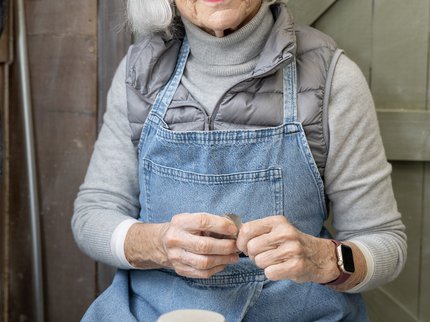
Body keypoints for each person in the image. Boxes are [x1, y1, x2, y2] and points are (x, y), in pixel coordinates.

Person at [72, 0, 407, 321]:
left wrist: (325, 260)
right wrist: (156, 245)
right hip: (154, 311)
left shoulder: (332, 78)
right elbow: (93, 213)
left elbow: (384, 239)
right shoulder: (139, 73)